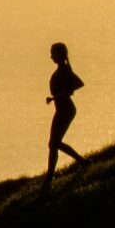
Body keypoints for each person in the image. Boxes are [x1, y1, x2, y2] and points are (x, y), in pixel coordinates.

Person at [45, 41, 87, 185]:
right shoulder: (63, 69)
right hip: (62, 109)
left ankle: (51, 176)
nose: (51, 56)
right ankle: (51, 174)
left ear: (59, 54)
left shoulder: (64, 70)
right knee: (53, 144)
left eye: (53, 53)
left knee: (54, 143)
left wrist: (57, 96)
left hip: (66, 109)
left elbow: (78, 84)